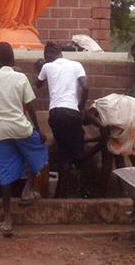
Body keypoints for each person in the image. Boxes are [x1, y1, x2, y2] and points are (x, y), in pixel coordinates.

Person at [0, 42, 48, 237]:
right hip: (21, 129)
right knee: (40, 153)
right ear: (13, 58)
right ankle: (27, 190)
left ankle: (7, 220)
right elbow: (30, 107)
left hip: (0, 133)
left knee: (5, 174)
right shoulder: (20, 77)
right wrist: (39, 130)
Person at [36, 42, 89, 198]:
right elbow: (85, 87)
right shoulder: (76, 65)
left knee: (65, 152)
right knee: (70, 153)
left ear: (47, 56)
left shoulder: (47, 67)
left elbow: (38, 85)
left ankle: (62, 193)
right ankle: (62, 195)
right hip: (72, 113)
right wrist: (81, 106)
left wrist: (40, 68)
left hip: (55, 114)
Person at [83, 94, 135, 195]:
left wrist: (85, 157)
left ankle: (102, 193)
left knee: (109, 158)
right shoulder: (104, 108)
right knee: (129, 155)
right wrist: (88, 141)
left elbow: (104, 137)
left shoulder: (92, 113)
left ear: (82, 113)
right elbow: (107, 136)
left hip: (130, 119)